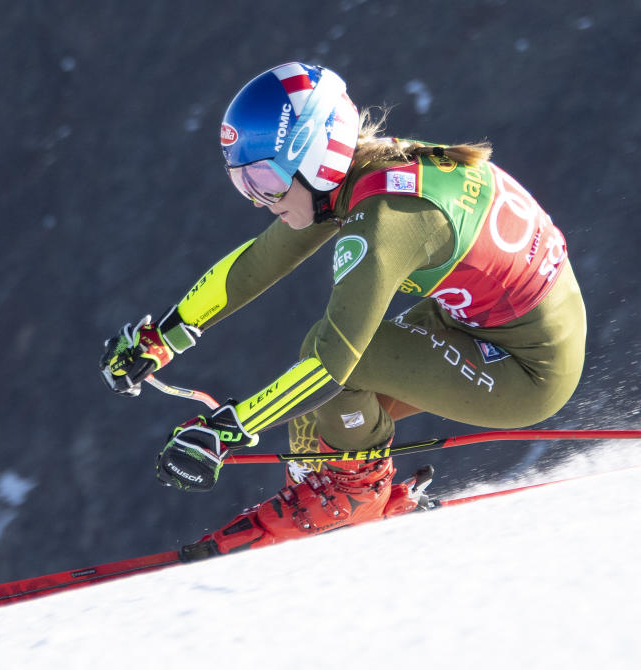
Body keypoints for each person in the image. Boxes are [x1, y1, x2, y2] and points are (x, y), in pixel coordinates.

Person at [99, 62, 586, 559]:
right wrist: (164, 335)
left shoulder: (386, 220)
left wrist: (224, 432)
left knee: (335, 366)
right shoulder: (364, 174)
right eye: (243, 182)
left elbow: (333, 365)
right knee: (319, 394)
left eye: (264, 178)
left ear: (314, 159)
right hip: (495, 324)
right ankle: (331, 487)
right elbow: (259, 261)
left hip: (529, 372)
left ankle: (354, 497)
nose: (258, 201)